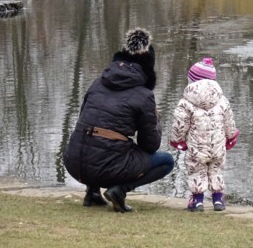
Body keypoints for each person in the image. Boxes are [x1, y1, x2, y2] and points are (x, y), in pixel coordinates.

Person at [63, 28, 174, 213]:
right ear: (148, 68)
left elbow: (83, 120)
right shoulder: (144, 96)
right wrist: (156, 120)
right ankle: (119, 190)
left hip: (74, 163)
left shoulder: (97, 83)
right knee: (166, 161)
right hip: (104, 168)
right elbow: (150, 145)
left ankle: (92, 192)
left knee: (99, 138)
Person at [169, 57, 239, 211]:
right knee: (216, 170)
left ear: (192, 81)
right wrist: (231, 136)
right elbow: (229, 123)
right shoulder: (222, 100)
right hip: (218, 147)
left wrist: (177, 140)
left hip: (196, 148)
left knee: (196, 171)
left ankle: (197, 201)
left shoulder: (185, 102)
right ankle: (218, 200)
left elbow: (179, 125)